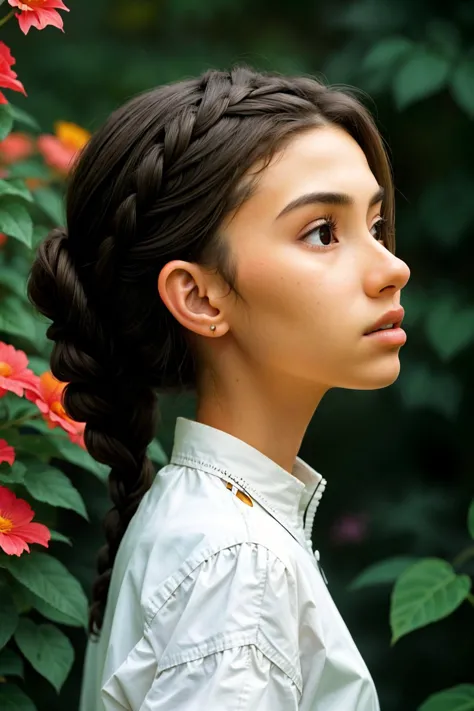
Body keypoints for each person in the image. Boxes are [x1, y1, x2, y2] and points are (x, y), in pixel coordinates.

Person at [27, 66, 410, 710]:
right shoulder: (235, 566)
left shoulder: (208, 529)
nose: (391, 268)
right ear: (200, 297)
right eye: (323, 233)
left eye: (374, 226)